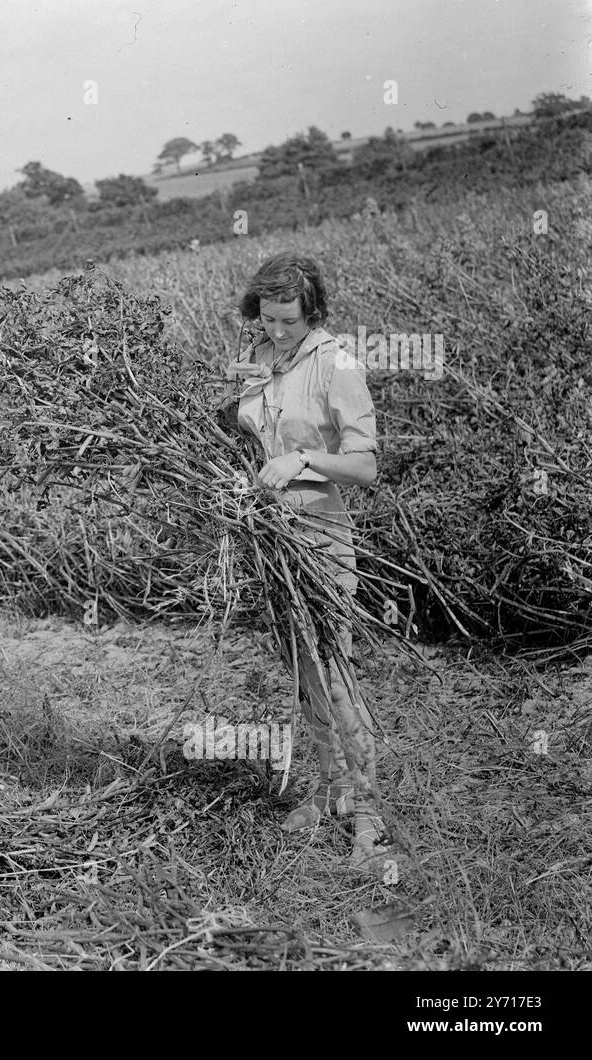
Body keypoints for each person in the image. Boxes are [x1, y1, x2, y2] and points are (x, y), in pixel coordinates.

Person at [218, 252, 389, 868]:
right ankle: (324, 786)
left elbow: (366, 465)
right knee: (298, 667)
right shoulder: (257, 356)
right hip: (268, 537)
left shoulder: (336, 362)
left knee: (333, 666)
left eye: (289, 320)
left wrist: (304, 461)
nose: (278, 330)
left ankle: (366, 805)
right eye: (267, 318)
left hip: (318, 536)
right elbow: (242, 434)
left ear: (311, 310)